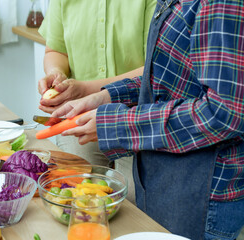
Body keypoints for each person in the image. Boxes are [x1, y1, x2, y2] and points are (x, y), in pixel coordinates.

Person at [50, 0, 244, 239]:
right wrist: (106, 95)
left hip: (201, 195)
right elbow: (166, 79)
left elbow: (224, 113)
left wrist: (117, 124)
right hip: (166, 181)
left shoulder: (221, 3)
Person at [38, 0, 156, 203]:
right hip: (79, 116)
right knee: (71, 191)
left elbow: (155, 67)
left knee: (131, 204)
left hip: (138, 118)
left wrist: (85, 88)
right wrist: (56, 73)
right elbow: (55, 50)